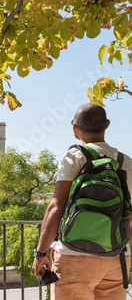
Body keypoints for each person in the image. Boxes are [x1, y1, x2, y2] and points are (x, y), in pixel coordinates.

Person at [32, 103, 132, 299]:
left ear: (75, 129)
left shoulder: (74, 156)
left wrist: (40, 253)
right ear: (107, 125)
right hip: (117, 258)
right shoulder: (125, 161)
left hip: (74, 257)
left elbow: (56, 207)